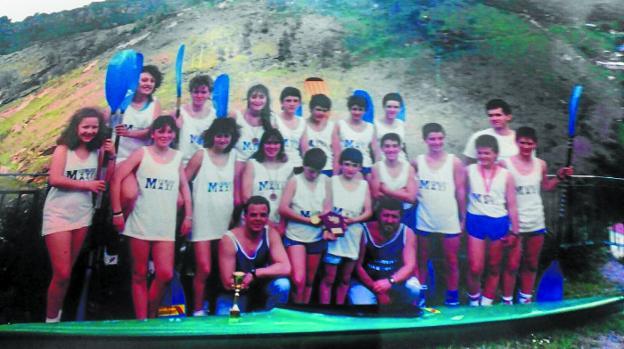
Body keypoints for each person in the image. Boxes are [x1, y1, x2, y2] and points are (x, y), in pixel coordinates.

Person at [110, 115, 192, 319]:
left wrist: (188, 216)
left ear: (174, 134)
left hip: (165, 225)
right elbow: (117, 178)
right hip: (140, 221)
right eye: (161, 131)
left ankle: (152, 314)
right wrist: (117, 211)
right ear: (153, 134)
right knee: (138, 274)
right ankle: (141, 320)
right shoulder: (141, 153)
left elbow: (184, 188)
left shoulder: (177, 157)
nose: (165, 135)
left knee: (165, 273)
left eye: (169, 131)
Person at [42, 107, 115, 323]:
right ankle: (50, 320)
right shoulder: (64, 149)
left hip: (82, 215)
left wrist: (110, 157)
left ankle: (58, 316)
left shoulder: (98, 151)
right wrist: (86, 185)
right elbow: (54, 179)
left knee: (67, 274)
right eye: (85, 127)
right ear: (76, 127)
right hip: (58, 214)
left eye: (94, 127)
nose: (90, 131)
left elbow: (104, 182)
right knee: (62, 273)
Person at [500, 127, 573, 304]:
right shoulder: (504, 164)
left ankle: (525, 298)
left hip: (536, 221)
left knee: (531, 263)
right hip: (514, 223)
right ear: (516, 142)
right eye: (522, 142)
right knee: (511, 264)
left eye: (530, 143)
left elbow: (546, 186)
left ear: (535, 144)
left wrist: (560, 177)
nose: (526, 146)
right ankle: (507, 301)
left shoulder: (541, 164)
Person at [184, 118, 241, 316]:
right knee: (204, 269)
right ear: (212, 136)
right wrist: (187, 215)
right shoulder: (201, 155)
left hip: (225, 221)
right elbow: (183, 183)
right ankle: (198, 310)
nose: (222, 139)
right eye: (219, 135)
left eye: (226, 136)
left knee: (222, 271)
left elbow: (238, 188)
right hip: (202, 221)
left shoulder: (235, 156)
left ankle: (217, 307)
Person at [412, 123, 466, 306]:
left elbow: (460, 191)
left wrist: (463, 216)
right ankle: (422, 296)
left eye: (440, 138)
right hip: (425, 219)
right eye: (432, 139)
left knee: (451, 260)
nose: (436, 142)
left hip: (449, 219)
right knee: (422, 259)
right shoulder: (417, 162)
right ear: (425, 140)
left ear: (444, 138)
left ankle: (452, 298)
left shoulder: (455, 162)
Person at [465, 134, 519, 306]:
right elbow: (460, 195)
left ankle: (487, 303)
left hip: (498, 222)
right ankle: (474, 300)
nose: (483, 157)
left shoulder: (506, 175)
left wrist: (515, 231)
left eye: (487, 153)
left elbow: (512, 205)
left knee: (494, 266)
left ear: (495, 154)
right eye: (480, 153)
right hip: (476, 220)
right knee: (475, 267)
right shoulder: (469, 171)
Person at [216, 196, 291, 315]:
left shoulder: (271, 233)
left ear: (267, 218)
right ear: (245, 216)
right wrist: (244, 282)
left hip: (261, 289)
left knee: (283, 285)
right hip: (234, 293)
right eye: (253, 215)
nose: (258, 219)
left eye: (262, 215)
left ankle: (271, 322)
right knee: (227, 328)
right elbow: (227, 282)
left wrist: (254, 274)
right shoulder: (229, 239)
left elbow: (286, 267)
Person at [320, 148, 372, 305]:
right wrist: (335, 225)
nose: (350, 168)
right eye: (347, 164)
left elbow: (368, 212)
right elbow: (326, 209)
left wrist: (353, 220)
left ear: (360, 167)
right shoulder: (332, 181)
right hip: (335, 235)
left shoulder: (364, 185)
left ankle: (341, 310)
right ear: (340, 164)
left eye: (354, 165)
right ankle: (326, 311)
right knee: (329, 278)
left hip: (354, 235)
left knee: (345, 278)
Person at [279, 148, 330, 304]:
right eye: (310, 171)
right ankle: (294, 309)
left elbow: (328, 207)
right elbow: (283, 208)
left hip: (316, 237)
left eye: (316, 172)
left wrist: (324, 221)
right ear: (304, 165)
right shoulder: (295, 180)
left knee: (309, 281)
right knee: (298, 280)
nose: (313, 174)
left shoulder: (326, 181)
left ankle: (303, 309)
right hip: (296, 235)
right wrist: (307, 220)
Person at [348, 196, 420, 305]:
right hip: (366, 282)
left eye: (394, 216)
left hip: (392, 280)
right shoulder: (363, 231)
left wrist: (390, 281)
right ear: (378, 215)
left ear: (400, 217)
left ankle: (399, 305)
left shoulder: (407, 233)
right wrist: (378, 291)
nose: (389, 220)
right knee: (362, 304)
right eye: (386, 215)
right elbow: (357, 267)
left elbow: (409, 266)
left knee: (414, 288)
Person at [114, 65, 163, 215]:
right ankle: (117, 222)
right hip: (122, 157)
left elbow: (153, 131)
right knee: (130, 194)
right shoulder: (120, 102)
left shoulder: (155, 103)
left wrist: (129, 133)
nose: (148, 83)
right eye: (144, 80)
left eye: (152, 81)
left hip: (144, 159)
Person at [241, 128, 292, 234]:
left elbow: (291, 201)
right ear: (262, 145)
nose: (272, 147)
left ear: (281, 145)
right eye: (268, 143)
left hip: (281, 224)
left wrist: (282, 225)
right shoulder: (252, 164)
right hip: (256, 222)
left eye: (276, 143)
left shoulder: (288, 166)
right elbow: (246, 198)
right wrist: (268, 223)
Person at [233, 84, 274, 203]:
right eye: (254, 97)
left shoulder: (272, 119)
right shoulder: (236, 116)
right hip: (237, 167)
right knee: (238, 203)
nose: (257, 100)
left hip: (260, 167)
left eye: (261, 97)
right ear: (248, 99)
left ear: (267, 100)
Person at [175, 74, 216, 165]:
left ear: (209, 93)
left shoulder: (214, 116)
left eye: (203, 92)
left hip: (204, 164)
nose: (199, 95)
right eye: (196, 92)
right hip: (182, 163)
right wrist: (175, 127)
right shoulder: (179, 112)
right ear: (190, 92)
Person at [332, 95, 377, 176]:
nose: (357, 112)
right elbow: (337, 154)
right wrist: (335, 176)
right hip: (346, 168)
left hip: (365, 167)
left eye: (360, 110)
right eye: (354, 109)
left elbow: (376, 152)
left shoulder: (371, 128)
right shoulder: (340, 125)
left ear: (365, 111)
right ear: (349, 109)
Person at [463, 99, 518, 163]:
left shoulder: (519, 138)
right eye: (491, 115)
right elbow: (469, 164)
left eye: (498, 115)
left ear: (509, 117)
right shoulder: (479, 136)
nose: (494, 118)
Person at [301, 94, 334, 177]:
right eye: (318, 109)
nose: (321, 113)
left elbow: (336, 153)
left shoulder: (332, 127)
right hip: (309, 169)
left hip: (328, 169)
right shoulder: (302, 125)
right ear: (311, 109)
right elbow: (303, 151)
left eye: (324, 110)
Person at [275, 87, 306, 170]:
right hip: (279, 166)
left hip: (298, 165)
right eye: (288, 100)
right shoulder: (274, 120)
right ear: (281, 102)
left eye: (295, 101)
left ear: (299, 103)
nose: (292, 104)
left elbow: (304, 150)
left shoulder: (302, 122)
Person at [373, 93, 407, 162]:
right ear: (383, 107)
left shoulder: (402, 124)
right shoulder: (375, 125)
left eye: (396, 107)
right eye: (389, 106)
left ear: (400, 109)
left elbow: (403, 147)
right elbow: (374, 149)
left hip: (402, 162)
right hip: (383, 163)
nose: (392, 110)